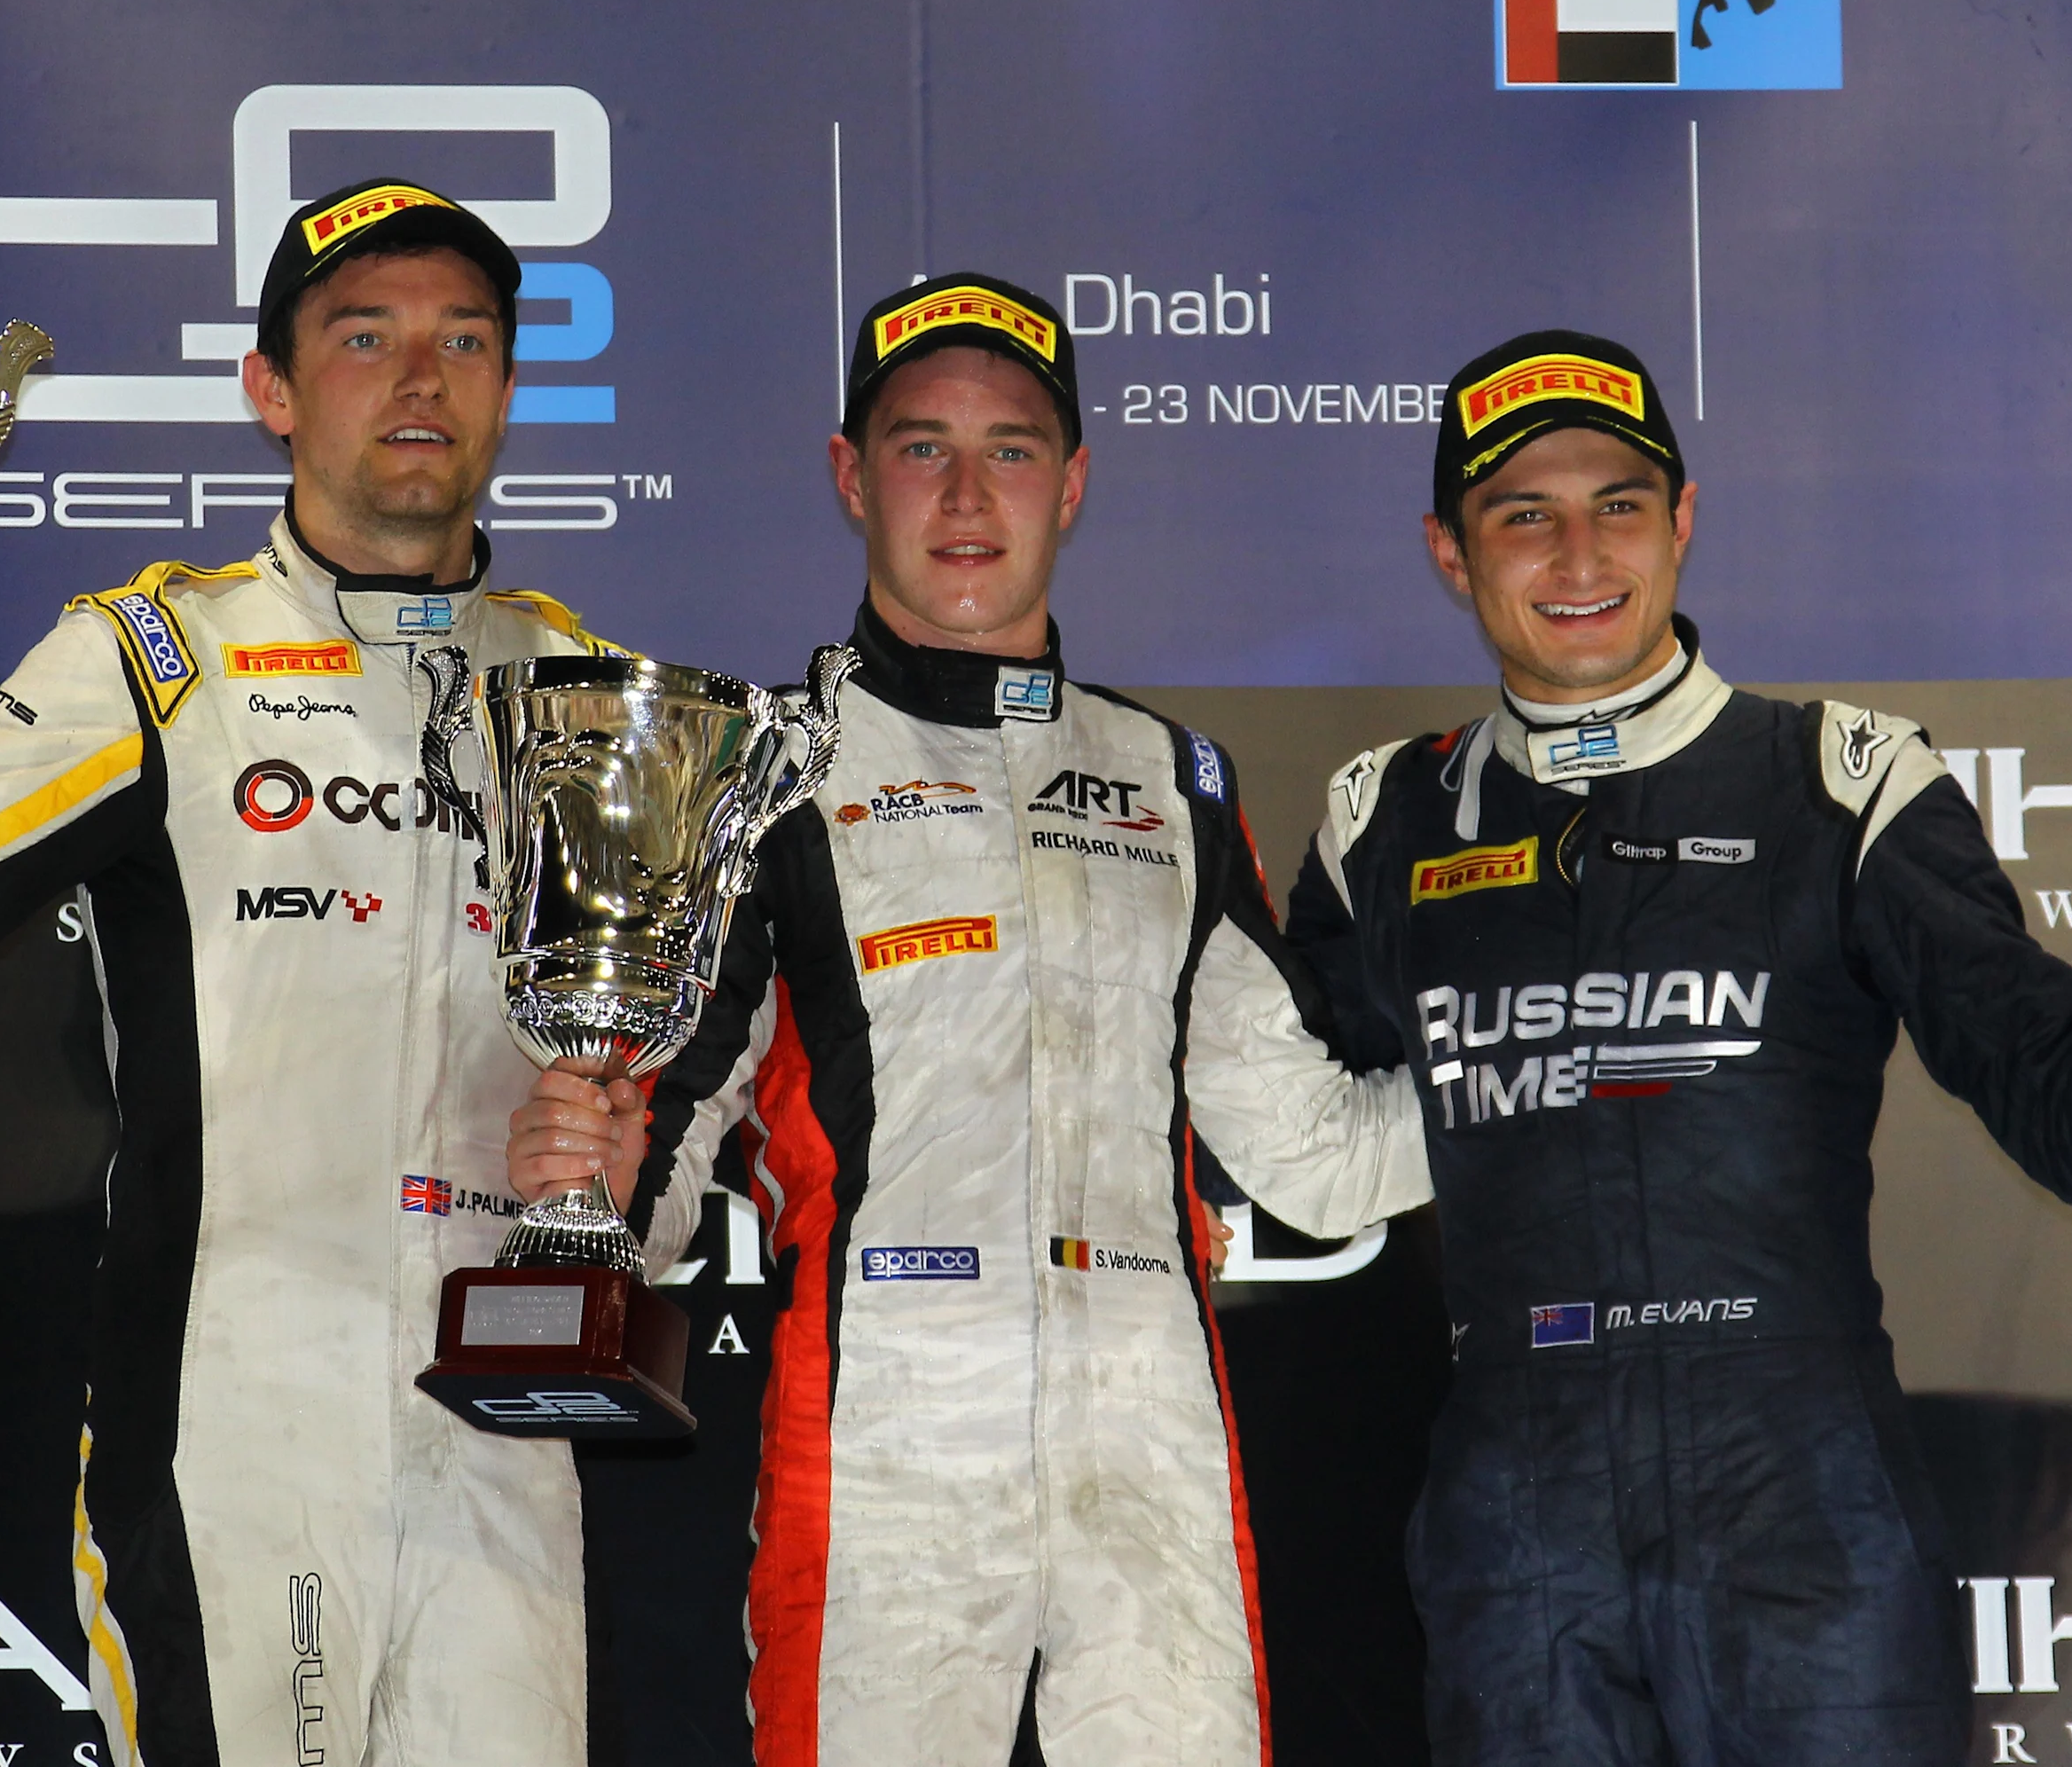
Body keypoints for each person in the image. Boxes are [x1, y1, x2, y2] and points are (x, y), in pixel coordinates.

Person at [0, 180, 623, 1767]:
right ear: (274, 392)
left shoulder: (585, 693)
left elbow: (627, 1067)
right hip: (240, 1421)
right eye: (365, 338)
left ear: (508, 385)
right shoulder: (160, 661)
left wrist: (620, 1141)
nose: (421, 379)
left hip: (503, 1428)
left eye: (465, 340)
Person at [1275, 328, 2072, 1766]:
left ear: (1684, 521)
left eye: (1620, 506)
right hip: (1515, 1503)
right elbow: (1279, 1145)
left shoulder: (1845, 783)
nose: (1579, 552)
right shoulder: (1378, 826)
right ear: (1452, 553)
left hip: (1797, 1489)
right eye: (1524, 512)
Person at [503, 272, 1432, 1766]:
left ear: (1073, 483)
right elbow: (654, 1174)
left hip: (1152, 1425)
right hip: (888, 1424)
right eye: (919, 445)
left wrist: (1529, 1085)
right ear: (847, 474)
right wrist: (594, 1196)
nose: (965, 493)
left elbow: (1312, 1153)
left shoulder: (1173, 779)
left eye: (1009, 448)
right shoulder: (763, 773)